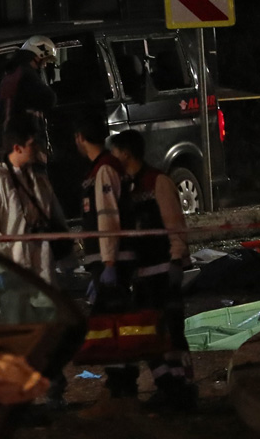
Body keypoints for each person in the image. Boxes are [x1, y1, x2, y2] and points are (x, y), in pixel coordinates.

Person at [0, 113, 69, 408]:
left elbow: (56, 222)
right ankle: (17, 401)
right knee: (17, 342)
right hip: (12, 275)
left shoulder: (38, 179)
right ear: (17, 146)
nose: (38, 148)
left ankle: (53, 391)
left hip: (40, 272)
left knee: (47, 338)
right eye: (33, 143)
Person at [109, 129, 197, 411]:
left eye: (115, 152)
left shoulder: (157, 182)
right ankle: (167, 386)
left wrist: (176, 260)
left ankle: (183, 388)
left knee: (172, 333)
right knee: (146, 335)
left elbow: (175, 225)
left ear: (126, 153)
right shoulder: (128, 187)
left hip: (162, 271)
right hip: (142, 275)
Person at [73, 112, 138, 416]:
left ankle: (120, 391)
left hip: (112, 260)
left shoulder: (104, 170)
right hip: (107, 260)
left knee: (111, 325)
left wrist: (109, 261)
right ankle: (120, 389)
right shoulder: (103, 168)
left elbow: (108, 217)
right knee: (112, 324)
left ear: (80, 138)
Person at [0, 35, 57, 154]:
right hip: (23, 143)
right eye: (44, 60)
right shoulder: (25, 75)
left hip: (15, 141)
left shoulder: (13, 72)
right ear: (37, 56)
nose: (44, 65)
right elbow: (49, 98)